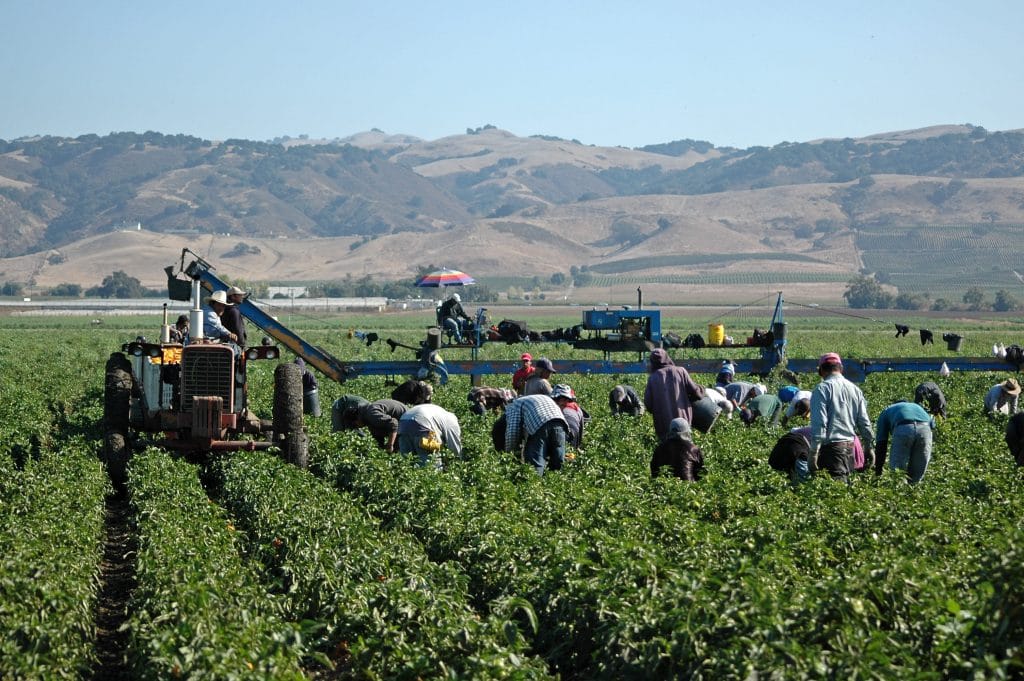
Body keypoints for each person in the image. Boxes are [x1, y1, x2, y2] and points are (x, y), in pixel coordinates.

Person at [808, 352, 874, 481]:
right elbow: (864, 422)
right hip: (850, 448)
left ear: (821, 370)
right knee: (844, 491)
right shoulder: (855, 389)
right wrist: (869, 447)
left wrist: (814, 452)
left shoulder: (821, 389)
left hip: (831, 451)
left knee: (833, 494)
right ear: (841, 369)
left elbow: (820, 423)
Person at [643, 348, 705, 441]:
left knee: (667, 450)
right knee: (685, 447)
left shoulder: (653, 378)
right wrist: (702, 389)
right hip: (683, 420)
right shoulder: (681, 371)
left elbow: (648, 404)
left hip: (663, 424)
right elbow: (695, 392)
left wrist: (659, 410)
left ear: (652, 362)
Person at [504, 394, 568, 475]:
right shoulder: (539, 398)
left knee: (536, 463)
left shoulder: (514, 406)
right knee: (557, 461)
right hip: (560, 423)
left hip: (539, 423)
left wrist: (510, 456)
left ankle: (535, 485)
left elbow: (513, 433)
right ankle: (557, 483)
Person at [873, 401, 935, 484]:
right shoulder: (918, 407)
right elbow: (933, 425)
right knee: (918, 469)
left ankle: (898, 489)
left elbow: (881, 443)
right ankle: (913, 491)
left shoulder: (887, 410)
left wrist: (878, 471)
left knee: (897, 470)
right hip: (925, 429)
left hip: (903, 428)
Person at [397, 403, 462, 469]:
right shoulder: (452, 422)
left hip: (403, 425)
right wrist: (457, 464)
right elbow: (454, 446)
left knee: (407, 463)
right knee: (431, 466)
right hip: (422, 424)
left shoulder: (441, 413)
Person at [341, 398, 407, 452]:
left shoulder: (371, 415)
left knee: (397, 450)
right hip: (401, 422)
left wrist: (390, 444)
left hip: (407, 420)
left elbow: (393, 423)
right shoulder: (366, 417)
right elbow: (377, 435)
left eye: (355, 425)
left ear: (357, 419)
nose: (357, 427)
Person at [551, 384, 589, 449]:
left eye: (565, 400)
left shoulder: (567, 415)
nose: (564, 402)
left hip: (568, 440)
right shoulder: (576, 408)